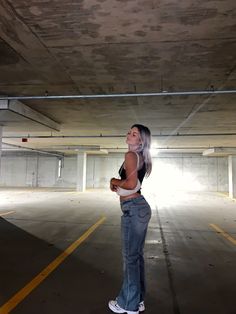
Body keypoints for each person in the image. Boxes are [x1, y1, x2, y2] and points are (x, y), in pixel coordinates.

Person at [108, 124, 152, 314]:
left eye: (134, 134)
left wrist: (113, 181)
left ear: (140, 141)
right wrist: (120, 184)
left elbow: (132, 184)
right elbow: (135, 184)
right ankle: (138, 299)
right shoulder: (141, 157)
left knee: (130, 259)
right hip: (139, 208)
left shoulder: (131, 155)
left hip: (133, 209)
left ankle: (127, 304)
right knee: (136, 258)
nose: (129, 135)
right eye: (129, 132)